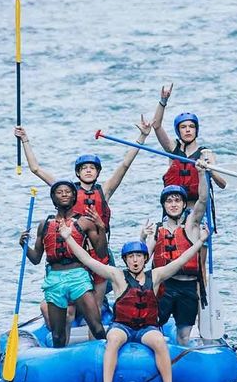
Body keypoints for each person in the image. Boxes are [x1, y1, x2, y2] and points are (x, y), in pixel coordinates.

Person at [58, 221, 209, 382]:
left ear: (145, 259)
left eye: (139, 256)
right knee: (113, 339)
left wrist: (200, 242)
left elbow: (181, 260)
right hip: (122, 326)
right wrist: (68, 238)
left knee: (159, 341)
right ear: (125, 260)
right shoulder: (117, 276)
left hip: (146, 328)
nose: (135, 260)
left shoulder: (156, 275)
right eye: (131, 256)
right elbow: (87, 260)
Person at [14, 118, 152, 305]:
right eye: (84, 168)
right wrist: (25, 140)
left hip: (99, 252)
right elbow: (36, 169)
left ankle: (101, 308)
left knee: (97, 299)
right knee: (75, 299)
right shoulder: (67, 192)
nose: (88, 171)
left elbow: (125, 165)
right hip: (75, 255)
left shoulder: (105, 191)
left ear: (97, 172)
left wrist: (142, 136)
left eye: (92, 168)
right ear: (78, 173)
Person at [19, 180, 108, 348]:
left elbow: (102, 253)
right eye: (60, 192)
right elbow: (36, 258)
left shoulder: (84, 222)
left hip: (78, 276)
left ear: (74, 196)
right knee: (58, 336)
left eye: (68, 191)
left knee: (97, 327)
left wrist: (101, 228)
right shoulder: (45, 224)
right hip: (54, 279)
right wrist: (24, 246)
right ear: (53, 198)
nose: (65, 194)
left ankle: (106, 359)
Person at [142, 174, 209, 346]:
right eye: (169, 201)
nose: (173, 204)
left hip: (188, 288)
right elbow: (142, 259)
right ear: (164, 205)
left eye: (177, 200)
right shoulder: (156, 230)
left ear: (184, 204)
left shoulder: (192, 225)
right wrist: (142, 238)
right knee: (153, 327)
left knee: (184, 336)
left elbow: (202, 199)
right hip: (165, 287)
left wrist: (201, 173)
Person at [150, 83, 226, 206]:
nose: (188, 130)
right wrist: (163, 101)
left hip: (198, 210)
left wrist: (209, 169)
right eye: (183, 127)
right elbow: (156, 126)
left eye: (191, 126)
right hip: (174, 210)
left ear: (196, 130)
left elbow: (222, 184)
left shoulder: (205, 154)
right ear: (178, 131)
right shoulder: (172, 148)